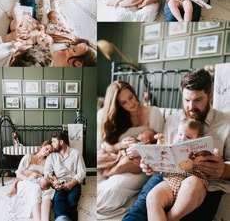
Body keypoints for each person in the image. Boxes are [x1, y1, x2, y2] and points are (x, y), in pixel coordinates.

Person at [123, 68, 230, 221]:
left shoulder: (226, 124)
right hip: (167, 178)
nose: (191, 107)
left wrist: (223, 169)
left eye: (198, 100)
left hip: (207, 185)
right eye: (187, 100)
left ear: (210, 95)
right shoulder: (174, 119)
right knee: (138, 213)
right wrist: (152, 164)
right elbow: (165, 151)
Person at [97, 81, 164, 218]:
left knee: (110, 192)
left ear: (134, 93)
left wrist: (140, 149)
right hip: (116, 155)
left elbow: (160, 145)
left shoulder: (153, 113)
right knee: (93, 182)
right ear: (117, 105)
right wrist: (119, 146)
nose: (131, 103)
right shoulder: (116, 116)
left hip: (142, 163)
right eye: (124, 103)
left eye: (131, 97)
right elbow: (104, 144)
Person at [146, 118, 209, 221]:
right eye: (180, 134)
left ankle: (172, 218)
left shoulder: (202, 151)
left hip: (192, 183)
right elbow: (160, 160)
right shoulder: (173, 147)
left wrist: (214, 155)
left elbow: (211, 162)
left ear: (199, 139)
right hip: (170, 182)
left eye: (188, 137)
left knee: (192, 183)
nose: (182, 138)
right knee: (152, 197)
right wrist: (160, 143)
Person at [44, 130, 86, 221]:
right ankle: (61, 219)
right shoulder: (51, 156)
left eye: (54, 141)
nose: (52, 144)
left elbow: (82, 172)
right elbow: (47, 172)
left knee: (72, 200)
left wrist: (71, 183)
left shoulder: (75, 153)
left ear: (61, 142)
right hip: (59, 182)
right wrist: (54, 181)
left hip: (73, 182)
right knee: (58, 199)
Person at [9, 140, 54, 221]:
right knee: (36, 188)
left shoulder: (47, 162)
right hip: (25, 181)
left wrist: (39, 175)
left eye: (49, 151)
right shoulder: (28, 157)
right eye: (46, 149)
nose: (47, 152)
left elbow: (47, 175)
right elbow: (18, 173)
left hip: (38, 181)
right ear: (42, 146)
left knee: (46, 192)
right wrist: (28, 178)